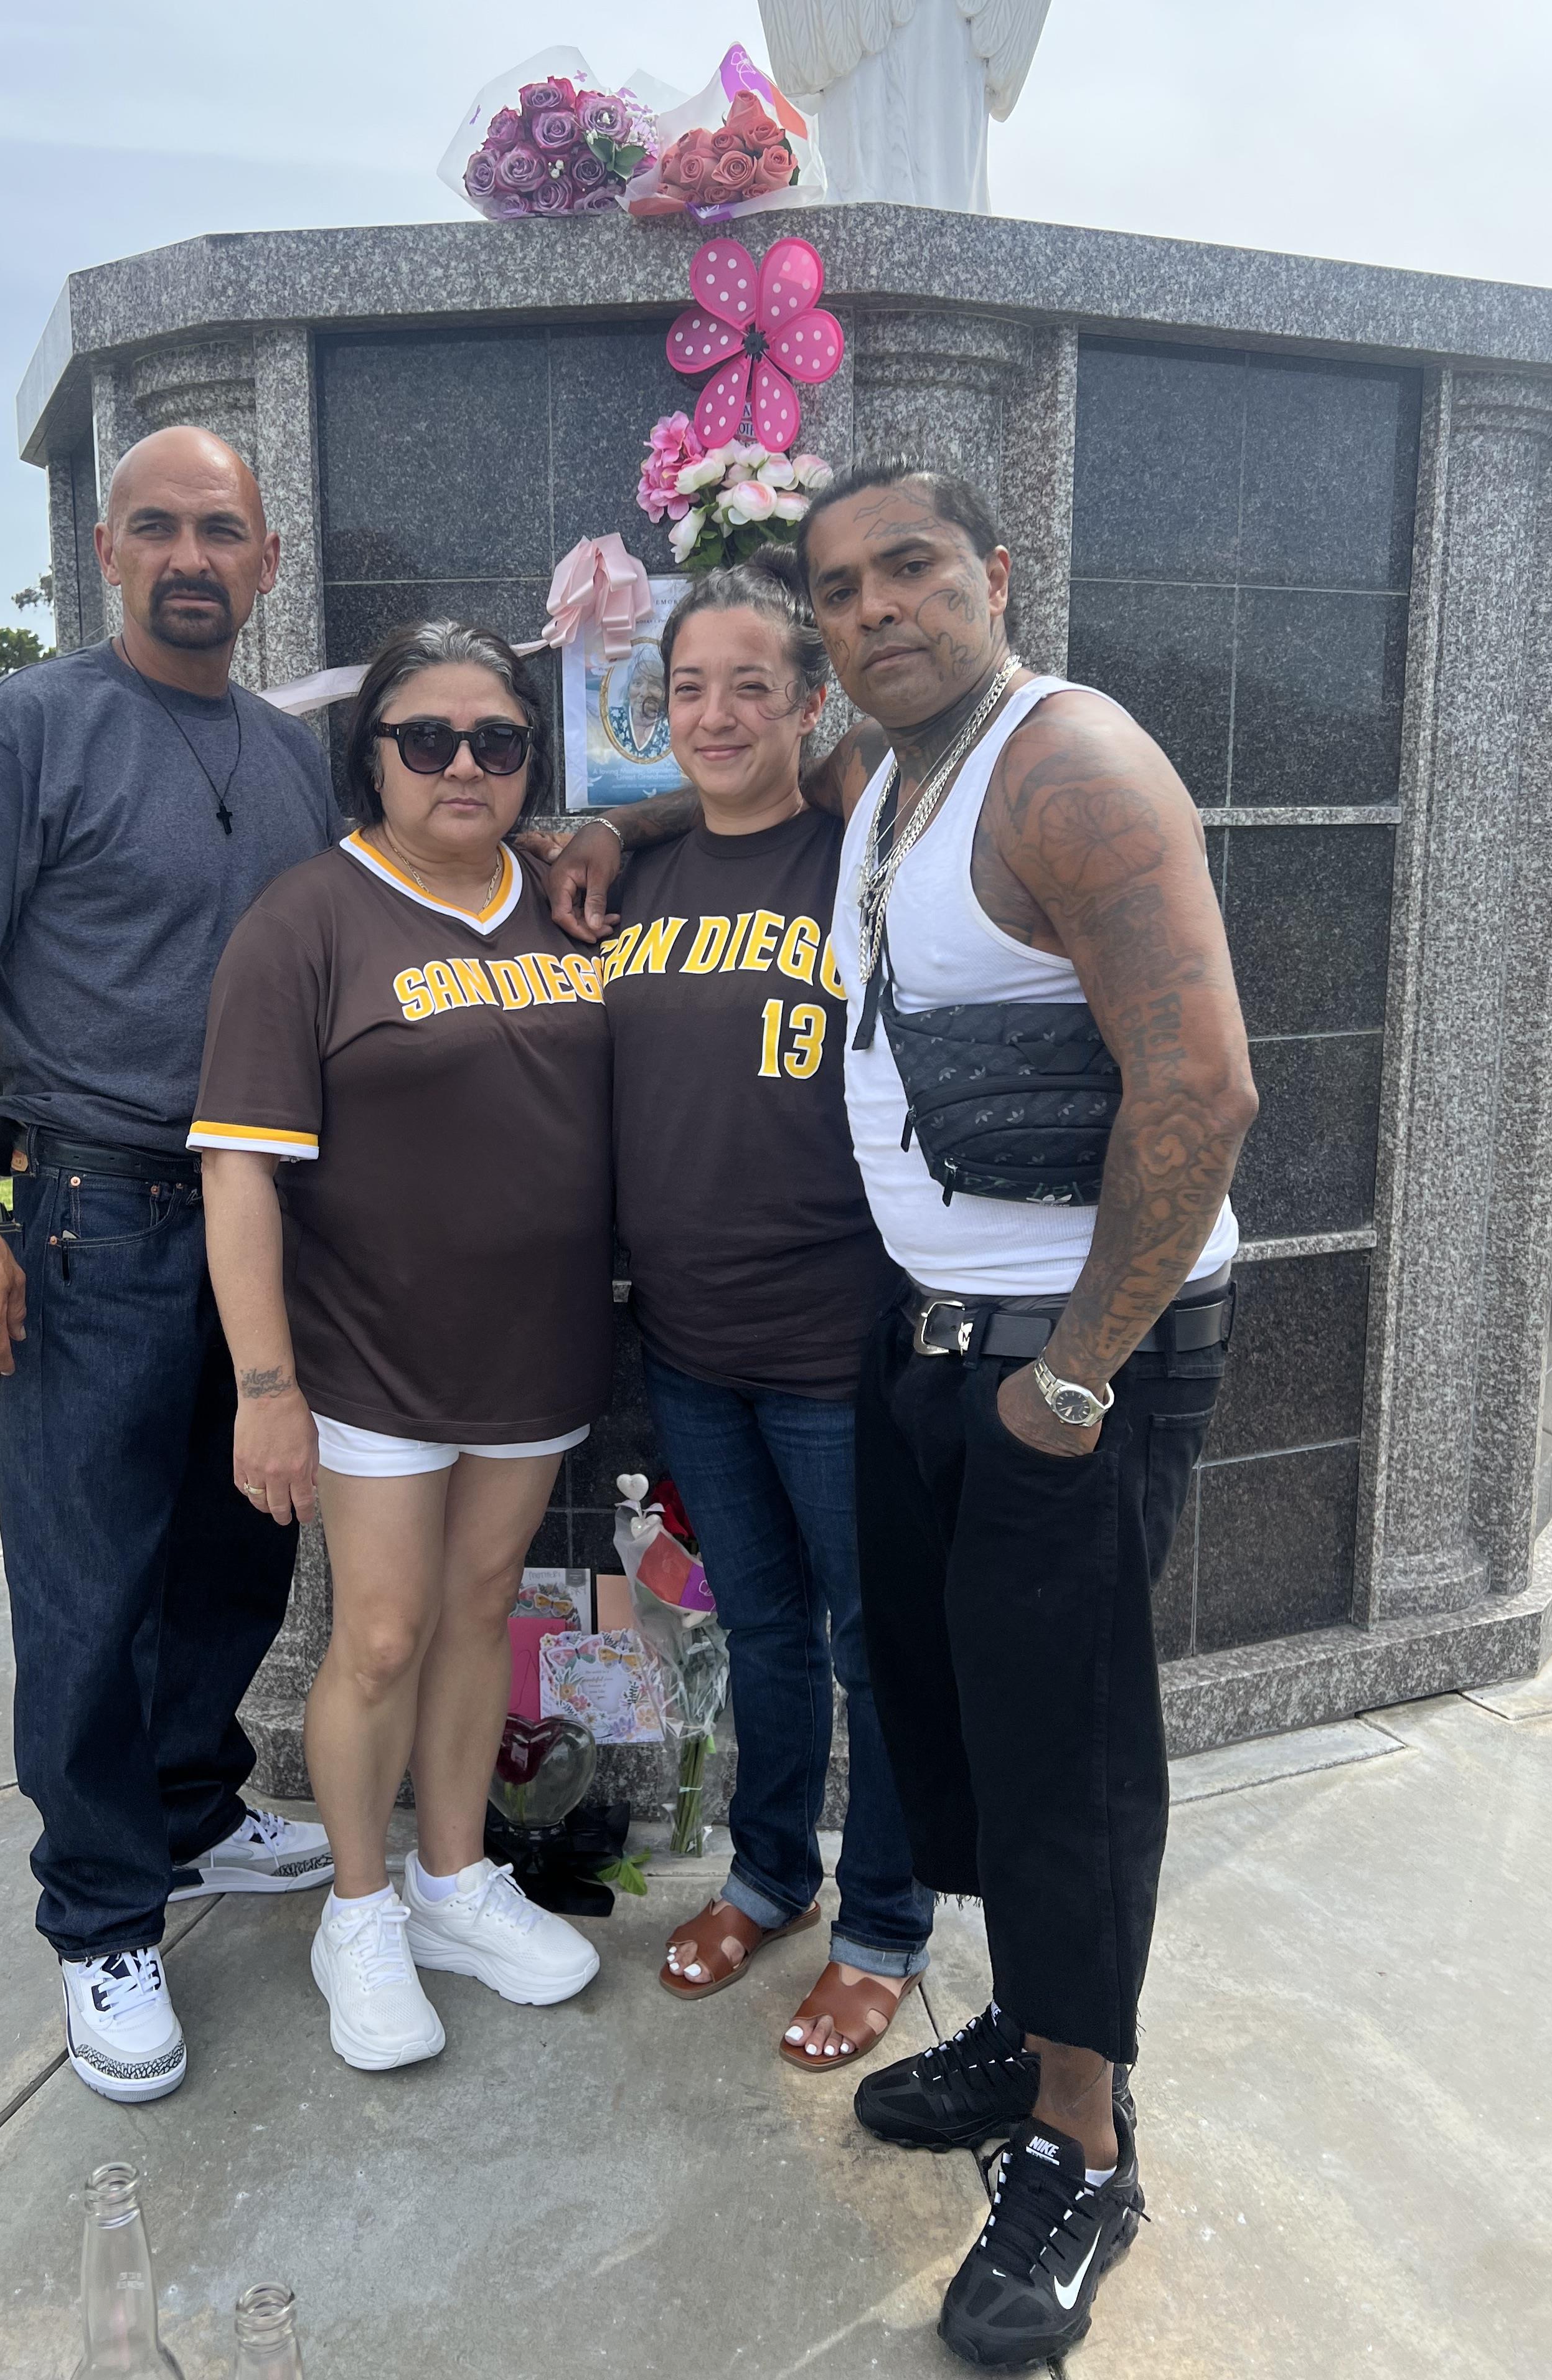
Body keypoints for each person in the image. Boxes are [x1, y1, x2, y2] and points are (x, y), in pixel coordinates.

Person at [545, 462, 1254, 2371]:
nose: (879, 611)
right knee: (969, 1725)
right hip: (942, 1344)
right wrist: (589, 818)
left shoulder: (1065, 762)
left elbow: (1203, 1091)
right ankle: (1028, 2044)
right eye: (843, 586)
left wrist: (1076, 1376)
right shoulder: (894, 791)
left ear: (998, 575)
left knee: (1067, 1756)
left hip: (1063, 1355)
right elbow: (717, 795)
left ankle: (1083, 2149)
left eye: (913, 571)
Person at [0, 425, 337, 2107]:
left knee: (237, 1548)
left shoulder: (291, 764)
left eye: (223, 529)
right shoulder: (32, 724)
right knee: (90, 1580)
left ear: (267, 562)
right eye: (158, 528)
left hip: (263, 1225)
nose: (192, 556)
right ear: (108, 552)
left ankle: (193, 1807)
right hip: (89, 1215)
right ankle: (99, 1914)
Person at [190, 620, 611, 2074]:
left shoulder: (569, 903)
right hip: (369, 1351)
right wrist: (266, 1388)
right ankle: (357, 1909)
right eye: (425, 737)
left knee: (480, 1609)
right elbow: (237, 1169)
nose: (463, 765)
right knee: (377, 1635)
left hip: (539, 1349)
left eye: (497, 741)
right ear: (370, 756)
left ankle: (452, 1880)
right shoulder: (308, 920)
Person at [600, 550, 932, 2069]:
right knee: (768, 1635)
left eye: (755, 685)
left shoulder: (866, 857)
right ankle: (771, 1876)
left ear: (812, 701)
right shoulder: (629, 879)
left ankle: (884, 1927)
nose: (719, 713)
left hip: (834, 1343)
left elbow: (893, 766)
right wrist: (615, 818)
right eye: (689, 688)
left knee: (880, 1642)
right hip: (688, 1345)